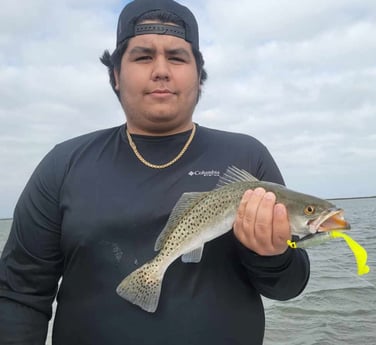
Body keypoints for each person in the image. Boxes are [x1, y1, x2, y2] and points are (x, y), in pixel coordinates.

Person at [0, 0, 310, 344]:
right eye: (143, 56)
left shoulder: (247, 158)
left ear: (199, 75)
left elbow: (288, 287)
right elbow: (19, 293)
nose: (161, 70)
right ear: (116, 75)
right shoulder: (63, 164)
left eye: (177, 57)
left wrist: (272, 256)